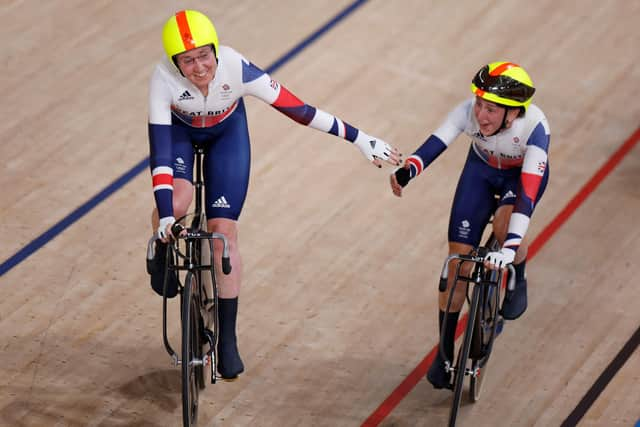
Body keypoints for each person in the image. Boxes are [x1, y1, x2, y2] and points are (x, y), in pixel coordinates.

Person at [146, 9, 401, 380]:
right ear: (175, 63)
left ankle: (228, 340)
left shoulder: (236, 67)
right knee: (177, 199)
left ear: (216, 50)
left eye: (204, 55)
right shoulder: (162, 80)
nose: (199, 66)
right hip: (180, 137)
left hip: (225, 136)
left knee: (223, 234)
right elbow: (161, 158)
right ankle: (161, 245)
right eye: (188, 60)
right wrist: (167, 217)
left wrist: (359, 138)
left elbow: (300, 111)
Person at [389, 61, 550, 389]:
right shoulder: (468, 112)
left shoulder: (535, 128)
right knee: (457, 262)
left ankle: (517, 275)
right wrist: (408, 171)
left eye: (491, 109)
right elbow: (437, 142)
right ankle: (444, 354)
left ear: (513, 113)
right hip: (481, 170)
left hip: (518, 178)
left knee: (506, 228)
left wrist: (509, 249)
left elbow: (528, 198)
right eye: (479, 104)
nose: (481, 115)